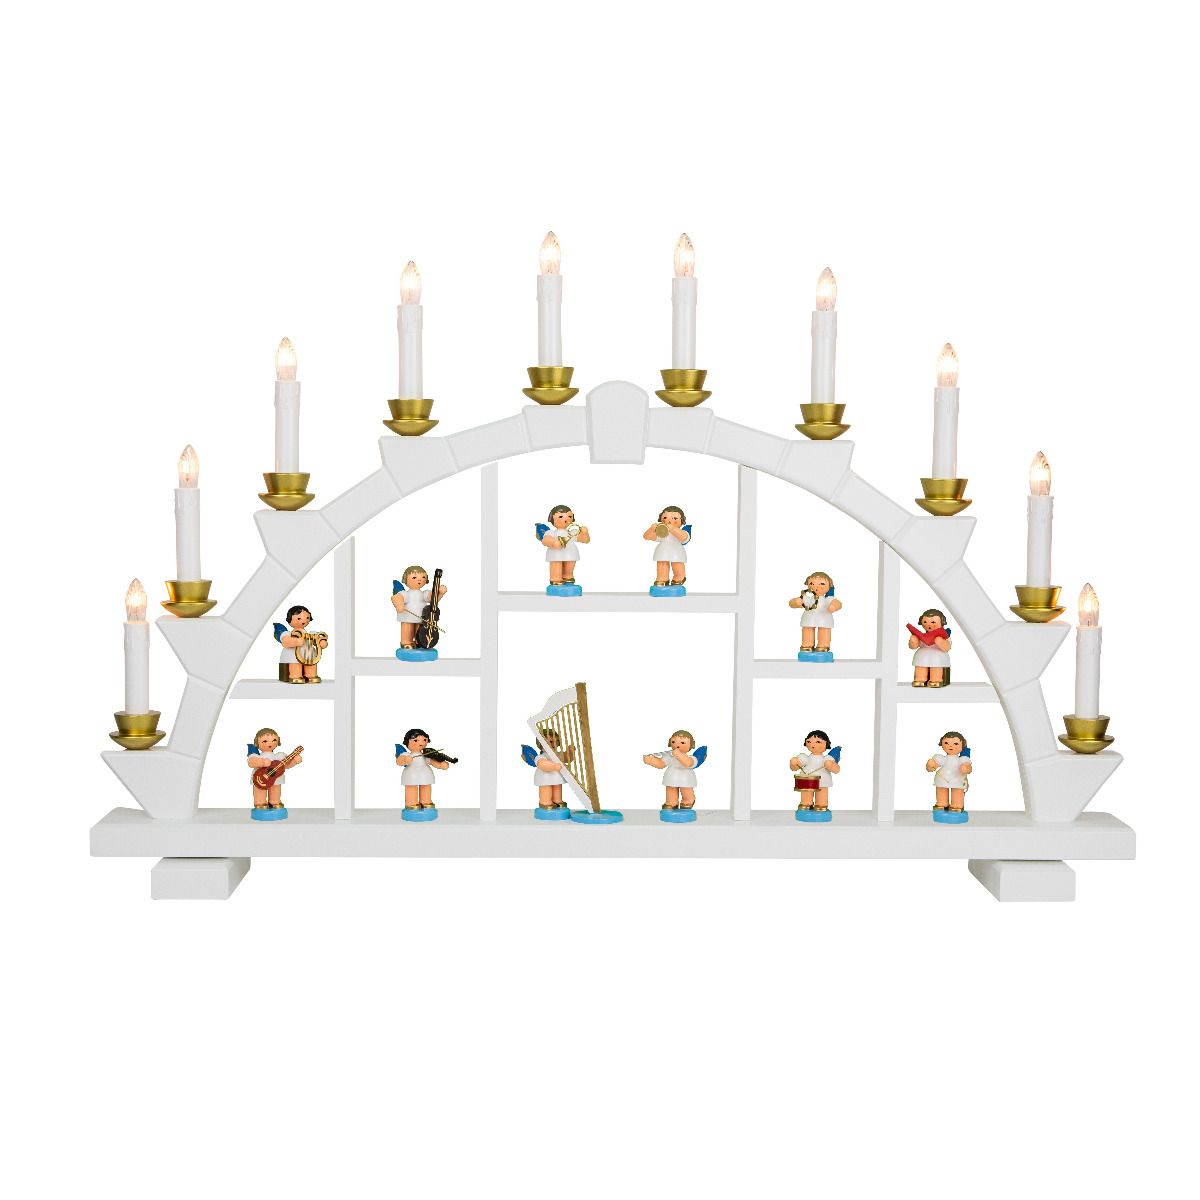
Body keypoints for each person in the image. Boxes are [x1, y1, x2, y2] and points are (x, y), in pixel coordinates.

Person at [391, 566, 446, 651]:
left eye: (423, 577)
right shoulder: (406, 593)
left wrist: (439, 593)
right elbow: (397, 597)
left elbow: (433, 600)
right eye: (414, 577)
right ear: (405, 579)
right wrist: (399, 605)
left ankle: (419, 642)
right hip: (407, 617)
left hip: (422, 619)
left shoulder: (424, 593)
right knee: (407, 629)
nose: (419, 579)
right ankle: (406, 642)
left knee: (420, 632)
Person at [395, 727, 451, 810]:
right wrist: (405, 760)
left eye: (424, 740)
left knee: (426, 786)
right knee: (411, 788)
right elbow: (399, 761)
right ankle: (411, 803)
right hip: (411, 775)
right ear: (407, 742)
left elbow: (431, 761)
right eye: (416, 740)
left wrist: (440, 765)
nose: (421, 743)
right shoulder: (406, 754)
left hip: (425, 774)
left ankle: (426, 801)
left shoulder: (425, 755)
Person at [644, 729, 699, 810]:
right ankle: (671, 803)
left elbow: (687, 763)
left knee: (686, 790)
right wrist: (651, 760)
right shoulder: (669, 757)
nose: (677, 745)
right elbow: (661, 764)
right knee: (671, 790)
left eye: (682, 743)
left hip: (685, 779)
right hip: (671, 778)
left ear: (691, 745)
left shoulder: (691, 758)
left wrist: (679, 755)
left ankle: (688, 800)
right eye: (673, 742)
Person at [788, 571, 841, 655]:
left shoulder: (828, 599)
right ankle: (807, 645)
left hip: (824, 617)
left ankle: (823, 645)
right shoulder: (808, 598)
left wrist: (834, 606)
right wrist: (796, 602)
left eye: (822, 584)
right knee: (807, 629)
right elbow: (791, 603)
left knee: (824, 630)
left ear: (829, 585)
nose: (817, 586)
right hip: (810, 617)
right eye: (812, 583)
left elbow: (837, 603)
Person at [247, 727, 299, 812]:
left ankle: (274, 802)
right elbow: (251, 762)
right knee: (260, 789)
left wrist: (294, 761)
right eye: (265, 741)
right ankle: (260, 802)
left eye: (274, 740)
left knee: (275, 788)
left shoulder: (278, 756)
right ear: (257, 742)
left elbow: (285, 766)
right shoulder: (257, 755)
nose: (270, 743)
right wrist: (262, 762)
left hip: (276, 779)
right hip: (260, 778)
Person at [540, 505, 590, 589]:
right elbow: (545, 540)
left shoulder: (572, 532)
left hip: (570, 553)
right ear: (552, 519)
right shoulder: (552, 533)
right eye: (560, 516)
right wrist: (553, 543)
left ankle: (568, 577)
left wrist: (584, 533)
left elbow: (585, 540)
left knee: (570, 565)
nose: (566, 519)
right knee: (556, 564)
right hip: (556, 554)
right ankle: (556, 578)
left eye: (569, 516)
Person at [790, 730, 840, 812]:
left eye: (818, 742)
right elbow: (794, 767)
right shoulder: (805, 757)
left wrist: (831, 765)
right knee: (806, 795)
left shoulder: (827, 759)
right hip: (807, 781)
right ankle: (806, 805)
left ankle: (821, 807)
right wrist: (794, 762)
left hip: (822, 781)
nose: (813, 744)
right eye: (809, 741)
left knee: (821, 796)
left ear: (826, 744)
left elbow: (837, 770)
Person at [276, 604, 327, 684]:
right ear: (290, 619)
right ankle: (295, 676)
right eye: (299, 618)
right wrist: (296, 641)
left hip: (309, 656)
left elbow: (317, 638)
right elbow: (285, 642)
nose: (304, 621)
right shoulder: (288, 633)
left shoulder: (310, 634)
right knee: (295, 664)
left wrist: (321, 642)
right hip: (293, 656)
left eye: (307, 618)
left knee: (311, 665)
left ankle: (311, 675)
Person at [643, 505, 690, 589]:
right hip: (663, 551)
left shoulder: (684, 531)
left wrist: (672, 529)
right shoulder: (662, 532)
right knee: (662, 564)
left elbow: (683, 538)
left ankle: (679, 577)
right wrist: (651, 529)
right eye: (665, 517)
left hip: (676, 552)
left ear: (682, 520)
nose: (669, 520)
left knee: (677, 564)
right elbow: (647, 537)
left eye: (674, 518)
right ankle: (662, 579)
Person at [926, 731, 971, 814]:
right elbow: (934, 766)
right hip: (942, 779)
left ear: (962, 745)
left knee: (957, 792)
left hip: (957, 779)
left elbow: (967, 767)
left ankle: (957, 806)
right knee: (941, 790)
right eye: (946, 743)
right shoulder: (942, 758)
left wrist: (966, 768)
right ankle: (942, 804)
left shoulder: (962, 759)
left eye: (955, 744)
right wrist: (931, 765)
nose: (950, 746)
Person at [531, 728, 574, 811]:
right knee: (546, 789)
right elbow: (542, 764)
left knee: (557, 788)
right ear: (541, 743)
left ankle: (557, 800)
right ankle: (545, 802)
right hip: (545, 777)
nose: (554, 744)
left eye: (556, 741)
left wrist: (570, 752)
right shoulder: (541, 756)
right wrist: (554, 766)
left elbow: (566, 758)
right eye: (551, 741)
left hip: (556, 776)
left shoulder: (557, 754)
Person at [908, 607, 951, 687]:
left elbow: (947, 647)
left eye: (933, 622)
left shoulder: (944, 636)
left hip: (938, 656)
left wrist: (940, 641)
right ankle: (920, 679)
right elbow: (913, 646)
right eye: (925, 622)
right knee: (920, 666)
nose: (928, 625)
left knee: (936, 666)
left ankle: (936, 680)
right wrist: (914, 641)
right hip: (922, 657)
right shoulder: (923, 635)